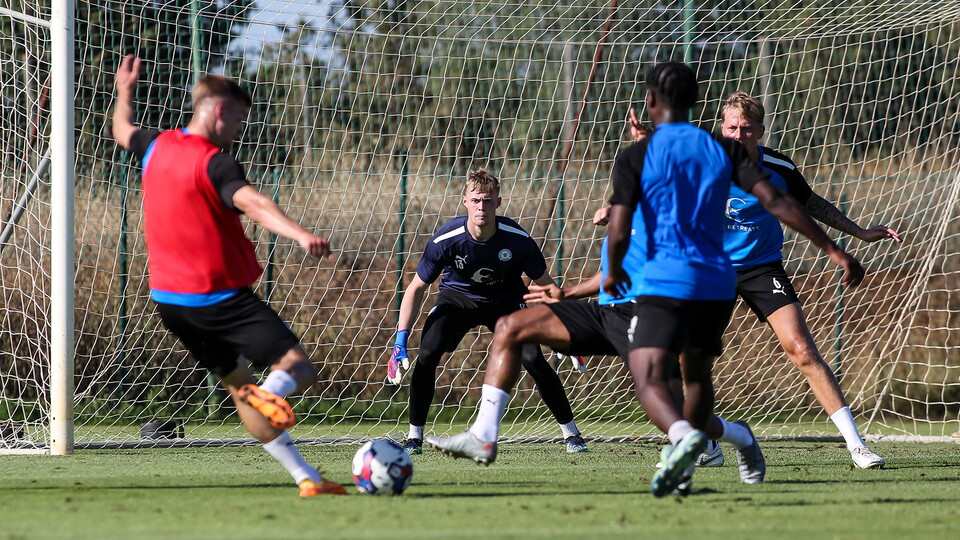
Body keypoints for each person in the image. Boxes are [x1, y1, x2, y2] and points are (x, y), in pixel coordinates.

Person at [426, 62, 865, 498]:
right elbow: (779, 202)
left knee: (662, 388)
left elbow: (620, 232)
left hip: (672, 293)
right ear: (697, 105)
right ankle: (487, 434)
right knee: (514, 328)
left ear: (651, 102)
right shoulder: (716, 154)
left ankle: (706, 443)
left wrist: (614, 268)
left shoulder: (643, 158)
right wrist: (832, 249)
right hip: (685, 293)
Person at [111, 55, 345, 497]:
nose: (238, 129)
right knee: (297, 368)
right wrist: (299, 233)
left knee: (241, 389)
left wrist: (125, 89)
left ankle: (307, 479)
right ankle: (272, 393)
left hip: (170, 303)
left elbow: (121, 129)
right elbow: (253, 203)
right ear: (220, 111)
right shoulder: (216, 162)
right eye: (238, 119)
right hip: (220, 299)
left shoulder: (155, 145)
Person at [716, 91, 901, 468]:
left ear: (760, 131)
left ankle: (857, 446)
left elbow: (810, 203)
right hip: (709, 268)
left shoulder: (778, 168)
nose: (738, 135)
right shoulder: (701, 162)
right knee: (690, 357)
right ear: (722, 128)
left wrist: (860, 232)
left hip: (761, 268)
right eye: (732, 127)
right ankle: (704, 441)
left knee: (801, 349)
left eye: (746, 129)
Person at [387, 169, 588, 455]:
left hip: (505, 301)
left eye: (488, 201)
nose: (482, 207)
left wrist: (569, 333)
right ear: (465, 201)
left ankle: (572, 435)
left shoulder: (517, 239)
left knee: (532, 357)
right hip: (457, 299)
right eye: (477, 200)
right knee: (428, 353)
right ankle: (414, 437)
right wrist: (399, 342)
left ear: (499, 203)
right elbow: (415, 288)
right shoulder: (447, 238)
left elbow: (548, 287)